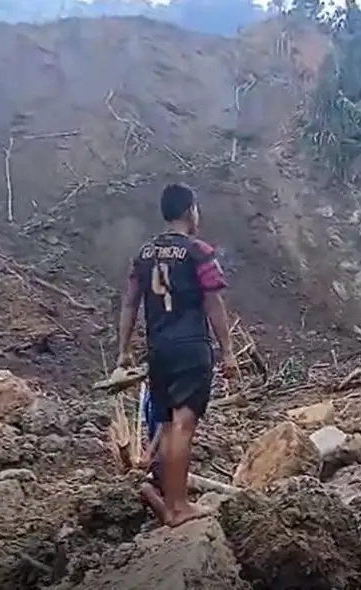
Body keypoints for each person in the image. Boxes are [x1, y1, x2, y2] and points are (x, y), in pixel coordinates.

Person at [117, 182, 238, 528]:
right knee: (184, 426)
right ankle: (179, 506)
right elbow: (214, 303)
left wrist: (124, 351)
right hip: (191, 349)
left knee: (168, 426)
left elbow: (129, 303)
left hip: (159, 351)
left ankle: (170, 504)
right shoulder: (200, 252)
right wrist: (228, 352)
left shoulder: (143, 254)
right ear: (189, 211)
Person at [138, 387, 170, 524]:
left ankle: (171, 518)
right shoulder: (149, 394)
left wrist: (149, 453)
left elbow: (166, 423)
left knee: (146, 488)